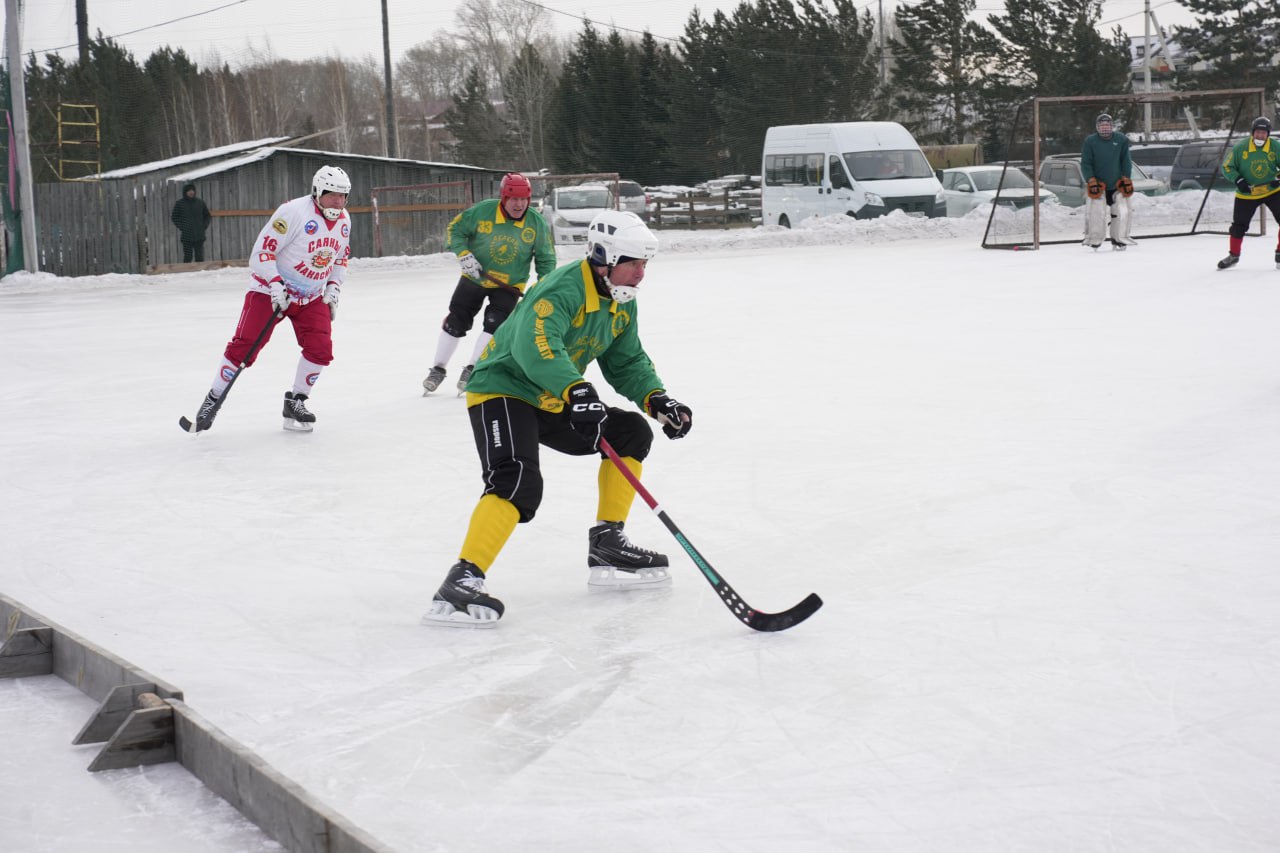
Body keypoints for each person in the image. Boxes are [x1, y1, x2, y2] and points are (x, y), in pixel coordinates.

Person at [421, 209, 694, 628]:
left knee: (630, 432)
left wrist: (658, 401)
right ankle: (462, 579)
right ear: (605, 259)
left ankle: (607, 541)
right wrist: (577, 390)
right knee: (516, 479)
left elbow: (627, 362)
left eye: (645, 264)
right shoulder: (561, 290)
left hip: (552, 397)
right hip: (503, 389)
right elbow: (537, 346)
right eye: (634, 263)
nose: (642, 273)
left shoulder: (620, 303)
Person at [187, 165, 352, 432]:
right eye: (332, 194)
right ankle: (213, 399)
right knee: (246, 345)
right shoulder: (292, 212)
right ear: (317, 191)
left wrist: (333, 286)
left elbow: (340, 258)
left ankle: (296, 401)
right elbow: (261, 254)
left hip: (311, 297)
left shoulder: (344, 220)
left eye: (343, 195)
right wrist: (275, 284)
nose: (338, 201)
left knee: (321, 349)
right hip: (269, 290)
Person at [422, 172, 557, 396]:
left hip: (509, 286)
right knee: (456, 322)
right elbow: (455, 230)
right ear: (504, 198)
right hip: (474, 278)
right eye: (514, 199)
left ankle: (473, 368)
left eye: (524, 199)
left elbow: (546, 258)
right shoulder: (483, 211)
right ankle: (438, 368)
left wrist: (544, 285)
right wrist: (464, 255)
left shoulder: (536, 223)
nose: (519, 204)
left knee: (495, 325)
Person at [1216, 116, 1280, 270]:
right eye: (1257, 132)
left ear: (1268, 134)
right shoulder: (1241, 147)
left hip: (1272, 191)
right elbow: (1227, 167)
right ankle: (1234, 256)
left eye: (1264, 133)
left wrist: (1278, 179)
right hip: (1247, 193)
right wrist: (1238, 180)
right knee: (1239, 226)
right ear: (1253, 133)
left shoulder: (1275, 146)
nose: (1260, 136)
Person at [1080, 113, 1135, 251]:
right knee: (1096, 213)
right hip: (1098, 185)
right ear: (1097, 127)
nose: (1104, 128)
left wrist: (1125, 177)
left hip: (1117, 184)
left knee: (1122, 212)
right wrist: (1090, 179)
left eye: (1107, 125)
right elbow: (1086, 163)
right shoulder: (1090, 141)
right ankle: (1095, 240)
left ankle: (1119, 239)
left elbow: (1126, 160)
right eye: (1102, 125)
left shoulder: (1121, 139)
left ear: (1111, 126)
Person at [171, 182, 213, 263]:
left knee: (199, 257)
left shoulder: (200, 203)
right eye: (189, 191)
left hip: (199, 234)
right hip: (187, 235)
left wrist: (203, 226)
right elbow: (174, 217)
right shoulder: (180, 204)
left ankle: (200, 274)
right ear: (185, 192)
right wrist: (183, 227)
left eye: (193, 190)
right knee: (188, 257)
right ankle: (187, 275)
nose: (191, 192)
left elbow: (207, 216)